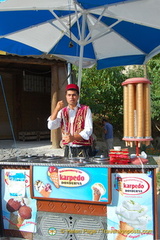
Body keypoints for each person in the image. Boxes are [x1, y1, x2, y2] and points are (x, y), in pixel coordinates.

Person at [47, 84, 93, 158]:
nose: (71, 97)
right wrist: (56, 109)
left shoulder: (86, 109)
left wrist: (74, 137)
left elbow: (89, 130)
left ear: (78, 96)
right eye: (69, 95)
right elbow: (51, 126)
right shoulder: (62, 111)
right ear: (66, 96)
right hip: (68, 148)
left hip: (83, 148)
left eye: (74, 95)